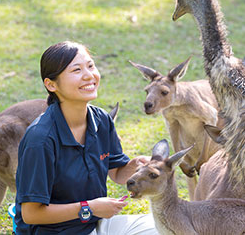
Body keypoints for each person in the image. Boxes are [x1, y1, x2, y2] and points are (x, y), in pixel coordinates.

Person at [15, 41, 158, 235]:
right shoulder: (40, 139)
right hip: (53, 232)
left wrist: (136, 165)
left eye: (90, 66)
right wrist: (89, 207)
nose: (89, 75)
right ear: (51, 84)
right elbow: (31, 214)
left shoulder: (101, 120)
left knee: (161, 228)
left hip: (93, 225)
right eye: (76, 70)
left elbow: (117, 173)